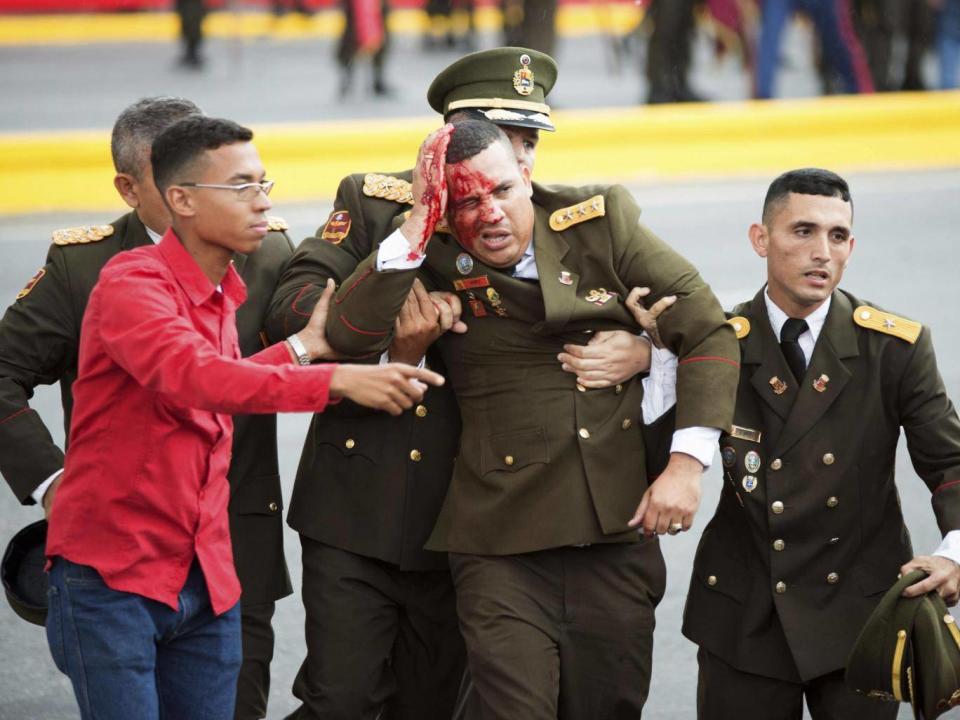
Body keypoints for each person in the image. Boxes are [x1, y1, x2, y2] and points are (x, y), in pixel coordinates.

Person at [266, 48, 655, 720]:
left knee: (435, 702)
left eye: (527, 143)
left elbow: (669, 315)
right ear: (446, 137)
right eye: (503, 138)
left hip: (476, 519)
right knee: (343, 698)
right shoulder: (375, 200)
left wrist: (644, 351)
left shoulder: (567, 225)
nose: (518, 158)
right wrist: (388, 325)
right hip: (361, 501)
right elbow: (294, 307)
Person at [318, 118, 739, 718]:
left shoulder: (599, 224)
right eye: (465, 202)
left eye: (501, 192)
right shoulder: (427, 248)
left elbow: (708, 330)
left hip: (612, 534)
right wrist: (416, 223)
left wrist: (684, 465)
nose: (488, 214)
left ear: (526, 174)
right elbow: (346, 331)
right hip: (499, 543)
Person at [42, 115, 443, 720]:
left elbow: (221, 374)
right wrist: (336, 378)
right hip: (116, 578)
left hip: (208, 576)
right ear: (181, 199)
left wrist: (304, 351)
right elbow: (197, 378)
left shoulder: (222, 288)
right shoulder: (131, 283)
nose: (264, 201)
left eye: (264, 183)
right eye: (241, 187)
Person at [0, 96, 295, 720]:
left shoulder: (267, 253)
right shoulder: (85, 266)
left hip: (231, 548)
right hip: (121, 558)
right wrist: (54, 482)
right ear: (132, 188)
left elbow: (321, 339)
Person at [630, 168, 960, 719]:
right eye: (802, 231)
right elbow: (650, 462)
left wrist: (954, 554)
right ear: (761, 239)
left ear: (851, 246)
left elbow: (950, 463)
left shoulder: (893, 348)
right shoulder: (718, 341)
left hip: (858, 615)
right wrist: (660, 360)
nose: (821, 253)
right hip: (745, 615)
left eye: (837, 236)